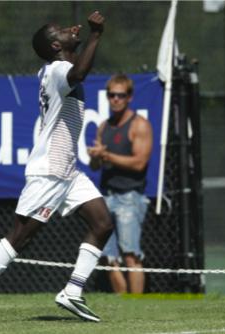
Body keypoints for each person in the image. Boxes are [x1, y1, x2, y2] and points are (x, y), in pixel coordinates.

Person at [0, 11, 113, 323]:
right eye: (64, 32)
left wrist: (86, 39)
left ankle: (73, 292)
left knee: (102, 223)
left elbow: (76, 72)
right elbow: (79, 74)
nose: (71, 30)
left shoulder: (53, 69)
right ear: (56, 46)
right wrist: (95, 36)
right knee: (21, 236)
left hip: (67, 170)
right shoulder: (57, 70)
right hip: (49, 170)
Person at [87, 74, 153, 294]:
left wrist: (107, 156)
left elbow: (139, 163)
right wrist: (96, 157)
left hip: (129, 197)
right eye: (111, 95)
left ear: (129, 97)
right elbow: (96, 166)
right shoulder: (104, 126)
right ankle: (123, 306)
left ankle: (136, 307)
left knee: (131, 255)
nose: (115, 99)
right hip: (107, 196)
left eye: (120, 95)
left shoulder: (139, 125)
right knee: (109, 258)